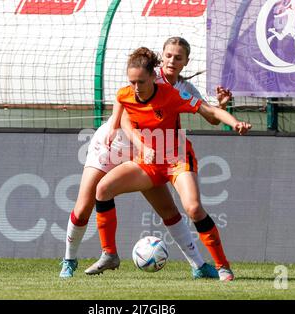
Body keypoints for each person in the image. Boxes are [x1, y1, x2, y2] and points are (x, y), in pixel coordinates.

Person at [59, 38, 233, 280]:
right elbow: (125, 111)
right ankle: (69, 260)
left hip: (149, 151)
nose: (172, 61)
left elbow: (211, 116)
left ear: (186, 62)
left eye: (178, 57)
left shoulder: (183, 90)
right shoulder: (147, 76)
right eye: (169, 55)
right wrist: (136, 141)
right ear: (161, 58)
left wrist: (222, 106)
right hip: (114, 144)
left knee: (168, 210)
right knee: (84, 205)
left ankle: (199, 265)